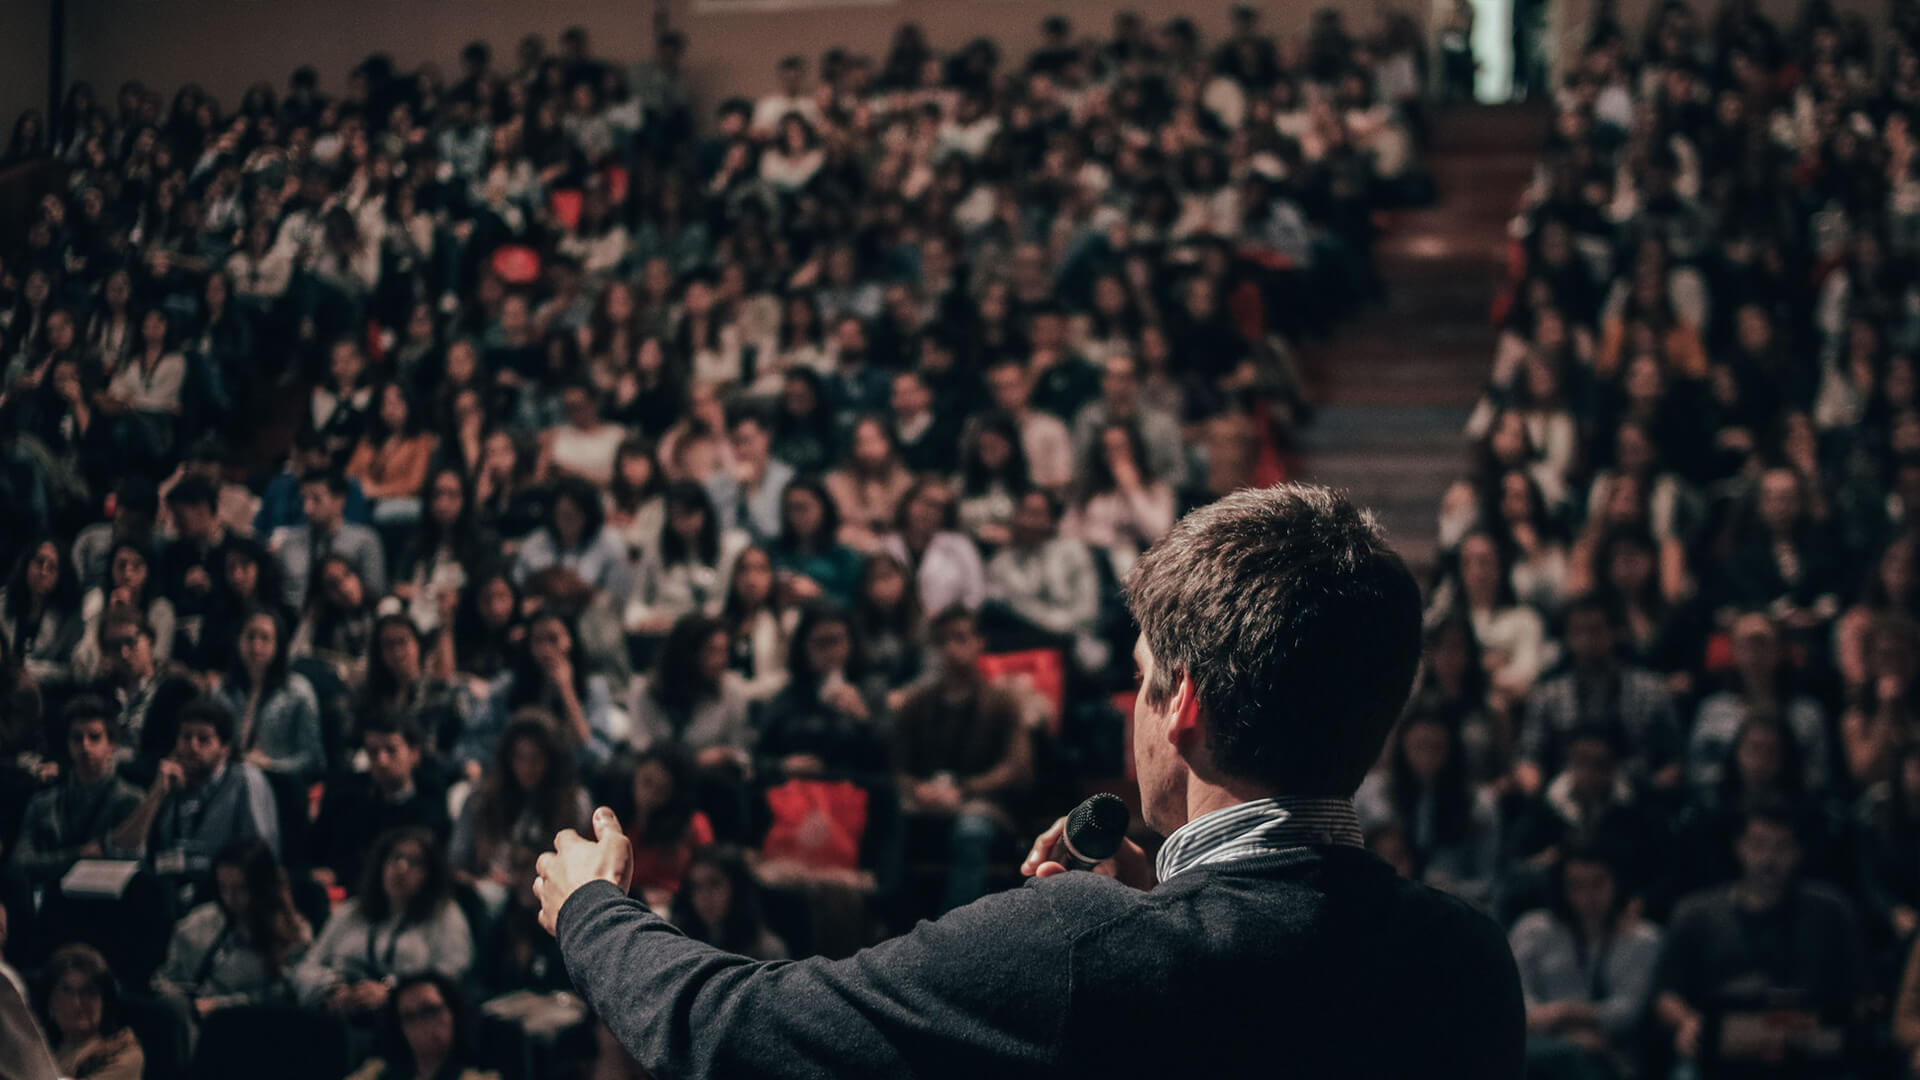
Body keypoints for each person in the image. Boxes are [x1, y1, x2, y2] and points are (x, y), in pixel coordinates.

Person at [533, 484, 1525, 1077]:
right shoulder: (1467, 961)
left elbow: (734, 1034)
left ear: (1182, 705)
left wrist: (592, 910)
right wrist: (1169, 905)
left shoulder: (1080, 946)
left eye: (1140, 677)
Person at [1653, 806, 1869, 1071]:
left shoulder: (1830, 912)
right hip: (1723, 1045)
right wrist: (1687, 1021)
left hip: (1810, 1045)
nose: (1769, 858)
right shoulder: (1697, 914)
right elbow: (1666, 993)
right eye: (1758, 845)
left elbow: (1859, 993)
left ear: (1798, 851)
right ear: (1739, 847)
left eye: (1781, 847)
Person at [892, 607, 1033, 912]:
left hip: (984, 804)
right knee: (892, 821)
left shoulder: (1002, 701)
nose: (951, 648)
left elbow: (1016, 768)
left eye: (960, 638)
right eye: (942, 641)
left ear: (979, 642)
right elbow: (898, 767)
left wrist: (963, 789)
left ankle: (956, 927)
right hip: (926, 800)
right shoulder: (917, 703)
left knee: (971, 830)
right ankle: (892, 921)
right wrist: (918, 790)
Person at [1508, 846, 1663, 1076]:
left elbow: (1627, 1011)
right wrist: (1564, 1027)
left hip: (1608, 1054)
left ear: (1617, 882)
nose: (1587, 897)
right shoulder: (1533, 929)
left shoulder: (1642, 938)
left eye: (1598, 884)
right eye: (1576, 885)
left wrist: (1565, 1013)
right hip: (1537, 1046)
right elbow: (1516, 999)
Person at [293, 826, 473, 1017]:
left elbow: (451, 975)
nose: (401, 868)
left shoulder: (444, 915)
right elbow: (307, 966)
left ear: (430, 873)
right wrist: (331, 989)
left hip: (406, 1019)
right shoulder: (352, 911)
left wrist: (392, 992)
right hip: (339, 1014)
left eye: (415, 862)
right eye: (395, 857)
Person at [109, 697, 281, 888]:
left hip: (223, 891)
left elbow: (261, 858)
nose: (192, 746)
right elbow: (123, 850)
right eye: (186, 737)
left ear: (225, 749)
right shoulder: (169, 781)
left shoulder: (244, 780)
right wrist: (156, 794)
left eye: (203, 739)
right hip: (169, 888)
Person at [151, 839, 312, 1019]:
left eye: (240, 888)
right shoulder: (199, 921)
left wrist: (221, 1006)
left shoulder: (290, 932)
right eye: (223, 887)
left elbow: (285, 996)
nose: (230, 898)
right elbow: (168, 976)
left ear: (262, 887)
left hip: (248, 1024)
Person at [7, 696, 143, 884]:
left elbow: (131, 862)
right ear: (68, 743)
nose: (85, 746)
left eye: (94, 737)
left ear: (111, 745)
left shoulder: (130, 800)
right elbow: (20, 862)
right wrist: (78, 855)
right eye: (77, 738)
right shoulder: (44, 803)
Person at [310, 714, 451, 894]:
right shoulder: (347, 797)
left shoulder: (431, 805)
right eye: (373, 752)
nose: (382, 761)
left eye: (391, 750)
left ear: (414, 754)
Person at [269, 470, 387, 612]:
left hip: (347, 618)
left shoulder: (364, 540)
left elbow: (374, 593)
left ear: (339, 501)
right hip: (293, 617)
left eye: (316, 499)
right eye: (304, 499)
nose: (307, 508)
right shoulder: (288, 542)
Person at [345, 972, 499, 1080]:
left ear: (453, 1013)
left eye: (430, 1011)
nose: (420, 1024)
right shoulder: (376, 1072)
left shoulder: (480, 1077)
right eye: (409, 1017)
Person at [36, 943, 144, 1080]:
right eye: (67, 991)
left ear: (105, 1001)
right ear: (50, 1002)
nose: (77, 1003)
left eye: (88, 992)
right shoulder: (37, 1051)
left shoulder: (123, 1052)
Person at [669, 846, 787, 960]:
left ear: (737, 888)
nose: (704, 896)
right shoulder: (680, 939)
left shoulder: (766, 949)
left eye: (714, 884)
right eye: (696, 887)